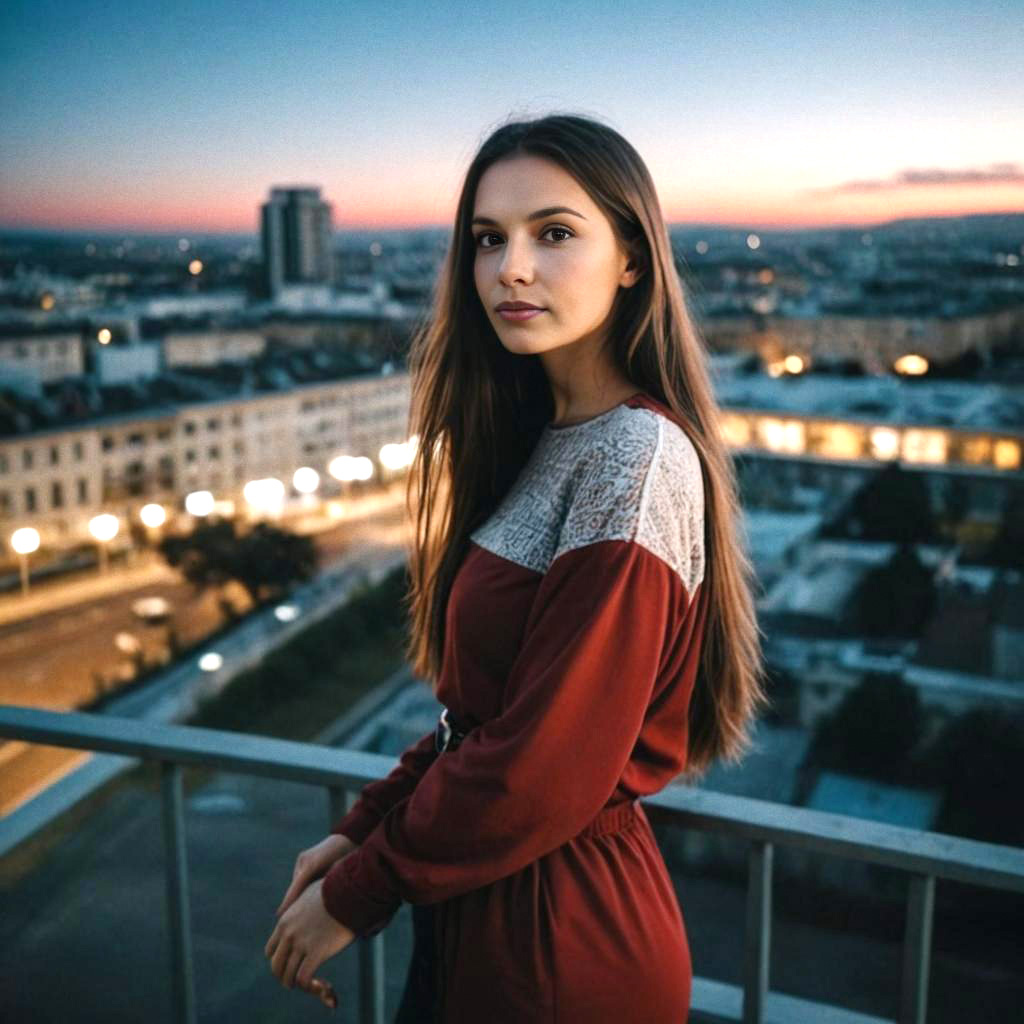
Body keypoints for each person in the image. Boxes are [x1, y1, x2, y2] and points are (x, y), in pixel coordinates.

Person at [265, 111, 768, 1022]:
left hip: (558, 944)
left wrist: (357, 892)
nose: (512, 269)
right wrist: (365, 828)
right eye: (488, 240)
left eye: (556, 234)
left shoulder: (633, 458)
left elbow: (542, 765)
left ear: (633, 260)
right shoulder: (554, 440)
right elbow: (484, 720)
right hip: (484, 913)